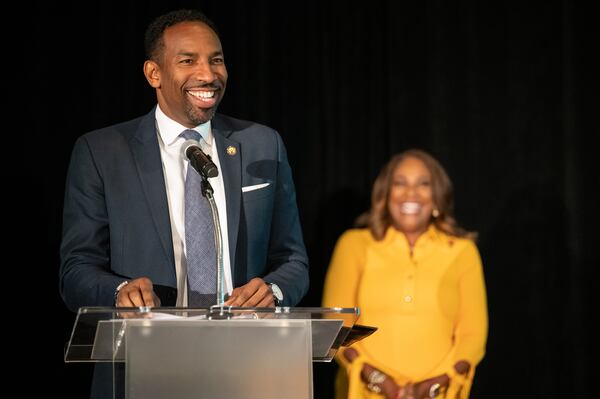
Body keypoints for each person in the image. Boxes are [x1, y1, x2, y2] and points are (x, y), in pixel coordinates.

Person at [59, 8, 309, 398]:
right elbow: (75, 270)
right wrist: (119, 290)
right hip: (143, 363)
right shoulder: (102, 152)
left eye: (217, 60)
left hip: (249, 364)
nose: (208, 75)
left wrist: (273, 291)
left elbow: (293, 260)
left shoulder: (262, 144)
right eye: (187, 61)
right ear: (153, 74)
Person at [322, 149, 488, 399]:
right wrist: (380, 382)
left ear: (437, 196)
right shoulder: (354, 244)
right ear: (386, 193)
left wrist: (433, 386)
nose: (411, 193)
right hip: (365, 393)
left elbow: (473, 335)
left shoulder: (463, 251)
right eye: (400, 183)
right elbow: (336, 327)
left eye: (423, 184)